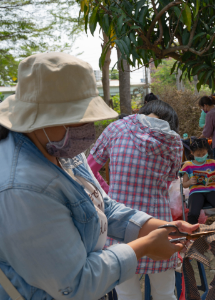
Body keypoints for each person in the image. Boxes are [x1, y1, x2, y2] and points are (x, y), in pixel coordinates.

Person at [0, 52, 197, 300]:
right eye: (79, 119)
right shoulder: (23, 188)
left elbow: (102, 205)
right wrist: (144, 245)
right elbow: (76, 284)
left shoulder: (58, 148)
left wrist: (158, 227)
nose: (87, 129)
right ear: (41, 120)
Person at [88, 100, 182, 300]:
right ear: (171, 123)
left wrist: (109, 193)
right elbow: (167, 183)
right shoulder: (174, 142)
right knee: (165, 293)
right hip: (158, 225)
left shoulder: (116, 128)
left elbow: (89, 171)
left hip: (119, 226)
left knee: (127, 295)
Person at [180, 138, 215, 224]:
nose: (201, 156)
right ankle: (192, 234)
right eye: (198, 154)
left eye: (204, 154)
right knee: (193, 214)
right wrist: (190, 182)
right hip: (196, 192)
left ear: (207, 152)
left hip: (212, 190)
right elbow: (184, 184)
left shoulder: (213, 163)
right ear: (192, 153)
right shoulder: (188, 165)